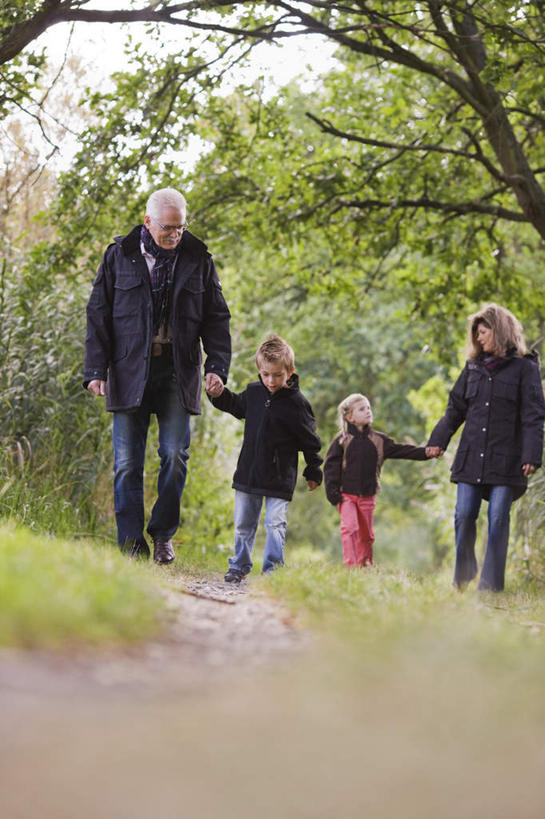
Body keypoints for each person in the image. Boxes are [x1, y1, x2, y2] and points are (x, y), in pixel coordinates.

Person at [83, 187, 231, 564]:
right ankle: (132, 545)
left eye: (180, 228)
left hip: (177, 372)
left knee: (175, 455)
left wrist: (216, 367)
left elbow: (216, 318)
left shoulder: (199, 259)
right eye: (168, 228)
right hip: (129, 368)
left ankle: (163, 534)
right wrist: (95, 371)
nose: (175, 235)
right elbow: (99, 313)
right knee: (127, 463)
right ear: (149, 222)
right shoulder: (119, 256)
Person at [427, 303, 545, 591]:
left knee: (498, 518)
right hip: (471, 458)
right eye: (476, 334)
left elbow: (533, 415)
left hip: (508, 459)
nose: (478, 339)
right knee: (464, 515)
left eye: (483, 332)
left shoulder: (525, 369)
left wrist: (531, 455)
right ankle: (464, 574)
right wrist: (437, 440)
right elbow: (455, 408)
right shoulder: (472, 369)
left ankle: (490, 586)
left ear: (500, 331)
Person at [207, 334, 322, 582]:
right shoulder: (254, 392)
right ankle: (238, 565)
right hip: (249, 471)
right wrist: (218, 394)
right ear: (259, 370)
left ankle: (272, 571)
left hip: (280, 476)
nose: (271, 380)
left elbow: (309, 441)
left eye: (278, 375)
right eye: (265, 374)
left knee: (275, 524)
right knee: (243, 524)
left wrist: (313, 469)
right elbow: (236, 405)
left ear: (290, 371)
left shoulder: (298, 404)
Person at [324, 393, 436, 567]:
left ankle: (365, 565)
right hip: (345, 495)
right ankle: (350, 566)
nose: (368, 411)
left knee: (366, 535)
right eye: (362, 409)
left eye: (368, 407)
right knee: (350, 528)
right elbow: (330, 468)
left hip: (368, 495)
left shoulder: (379, 440)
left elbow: (403, 450)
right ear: (350, 417)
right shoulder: (341, 441)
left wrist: (426, 453)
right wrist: (333, 493)